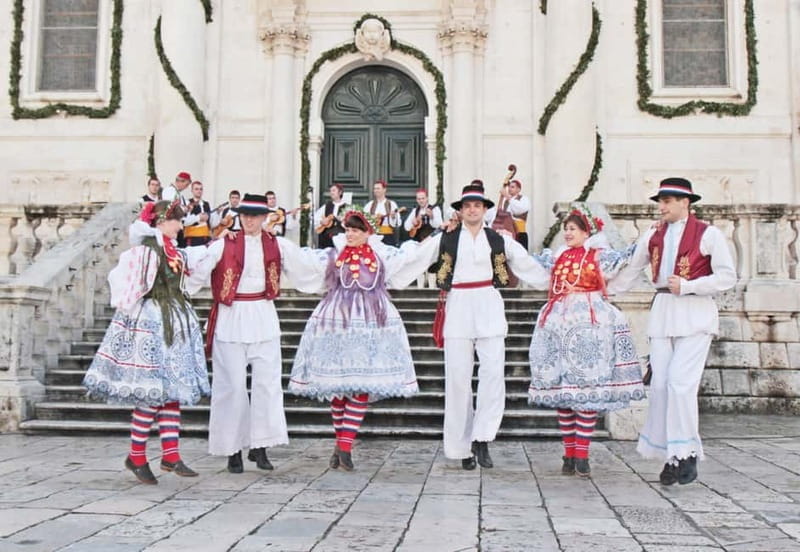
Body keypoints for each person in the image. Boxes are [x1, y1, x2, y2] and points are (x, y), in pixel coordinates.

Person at [392, 183, 550, 470]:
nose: (473, 210)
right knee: (458, 379)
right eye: (467, 206)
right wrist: (388, 279)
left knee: (493, 374)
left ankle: (483, 437)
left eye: (478, 205)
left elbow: (526, 264)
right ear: (461, 211)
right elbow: (417, 258)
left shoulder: (498, 239)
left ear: (485, 209)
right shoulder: (446, 238)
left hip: (488, 303)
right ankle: (461, 448)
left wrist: (555, 284)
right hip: (459, 304)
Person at [609, 177, 736, 486]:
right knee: (663, 386)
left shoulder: (709, 234)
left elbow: (727, 276)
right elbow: (634, 268)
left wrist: (691, 285)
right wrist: (606, 291)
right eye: (660, 201)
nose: (662, 206)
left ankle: (688, 453)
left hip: (694, 311)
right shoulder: (653, 234)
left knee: (681, 384)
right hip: (665, 310)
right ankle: (671, 456)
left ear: (685, 203)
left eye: (668, 200)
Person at [82, 200, 212, 484]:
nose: (180, 226)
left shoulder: (171, 250)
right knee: (151, 392)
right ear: (162, 222)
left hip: (173, 320)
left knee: (171, 390)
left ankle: (171, 453)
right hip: (152, 321)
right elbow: (124, 282)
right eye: (177, 221)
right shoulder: (145, 252)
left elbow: (195, 264)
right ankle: (137, 455)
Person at [192, 193, 324, 474]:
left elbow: (307, 268)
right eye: (244, 215)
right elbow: (196, 269)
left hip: (263, 315)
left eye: (254, 215)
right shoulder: (223, 244)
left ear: (265, 217)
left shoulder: (278, 245)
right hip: (232, 315)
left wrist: (337, 268)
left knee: (267, 384)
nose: (249, 220)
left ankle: (261, 446)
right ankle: (232, 450)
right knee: (232, 386)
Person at [288, 210, 419, 471]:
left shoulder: (382, 255)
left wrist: (437, 240)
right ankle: (342, 444)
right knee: (337, 388)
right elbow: (301, 260)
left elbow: (410, 257)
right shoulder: (334, 255)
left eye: (355, 230)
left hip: (372, 323)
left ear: (367, 233)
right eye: (347, 229)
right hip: (336, 321)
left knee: (362, 385)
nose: (349, 234)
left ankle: (345, 447)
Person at [528, 205, 645, 477]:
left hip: (589, 325)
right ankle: (568, 453)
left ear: (585, 232)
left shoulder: (597, 257)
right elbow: (531, 268)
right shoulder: (557, 257)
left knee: (587, 391)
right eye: (565, 229)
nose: (568, 233)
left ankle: (582, 453)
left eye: (573, 229)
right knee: (564, 393)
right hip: (558, 323)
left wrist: (648, 239)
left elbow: (626, 262)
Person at [488, 179, 530, 250]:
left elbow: (519, 210)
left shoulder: (524, 199)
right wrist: (501, 198)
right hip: (508, 234)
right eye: (509, 187)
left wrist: (507, 196)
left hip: (520, 233)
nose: (510, 189)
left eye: (512, 187)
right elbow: (499, 213)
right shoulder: (506, 201)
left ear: (519, 189)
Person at [364, 180, 402, 246]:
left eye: (378, 188)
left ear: (384, 190)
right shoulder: (370, 205)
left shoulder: (391, 204)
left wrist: (393, 217)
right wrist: (371, 218)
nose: (376, 190)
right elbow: (363, 219)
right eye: (374, 189)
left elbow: (398, 223)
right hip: (373, 236)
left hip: (387, 236)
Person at [161, 172, 192, 246]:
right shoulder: (169, 191)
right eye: (186, 185)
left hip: (178, 227)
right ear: (180, 181)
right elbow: (171, 207)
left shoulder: (180, 194)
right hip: (170, 226)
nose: (186, 187)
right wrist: (184, 208)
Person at [315, 183, 348, 248]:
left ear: (340, 192)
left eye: (333, 190)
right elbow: (316, 218)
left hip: (341, 239)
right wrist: (322, 221)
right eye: (330, 191)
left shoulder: (347, 207)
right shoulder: (326, 206)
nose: (331, 193)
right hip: (326, 239)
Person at [183, 181, 212, 246]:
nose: (199, 191)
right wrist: (198, 217)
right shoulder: (187, 203)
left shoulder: (206, 204)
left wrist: (218, 214)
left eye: (201, 189)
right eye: (196, 189)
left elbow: (210, 223)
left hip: (206, 237)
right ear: (192, 191)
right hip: (192, 238)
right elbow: (184, 222)